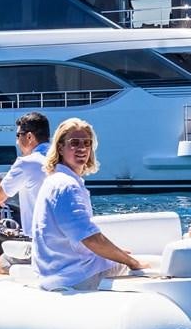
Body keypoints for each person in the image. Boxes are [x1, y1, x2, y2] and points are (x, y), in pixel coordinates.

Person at [31, 118, 147, 291]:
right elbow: (90, 238)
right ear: (60, 147)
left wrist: (118, 254)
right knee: (148, 269)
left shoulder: (56, 181)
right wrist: (132, 262)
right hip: (76, 276)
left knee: (128, 259)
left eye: (87, 143)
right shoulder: (66, 186)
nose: (82, 148)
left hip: (58, 271)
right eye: (74, 143)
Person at [0, 111, 50, 274]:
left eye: (18, 135)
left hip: (41, 244)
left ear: (29, 137)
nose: (16, 141)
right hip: (68, 241)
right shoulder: (63, 158)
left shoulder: (27, 163)